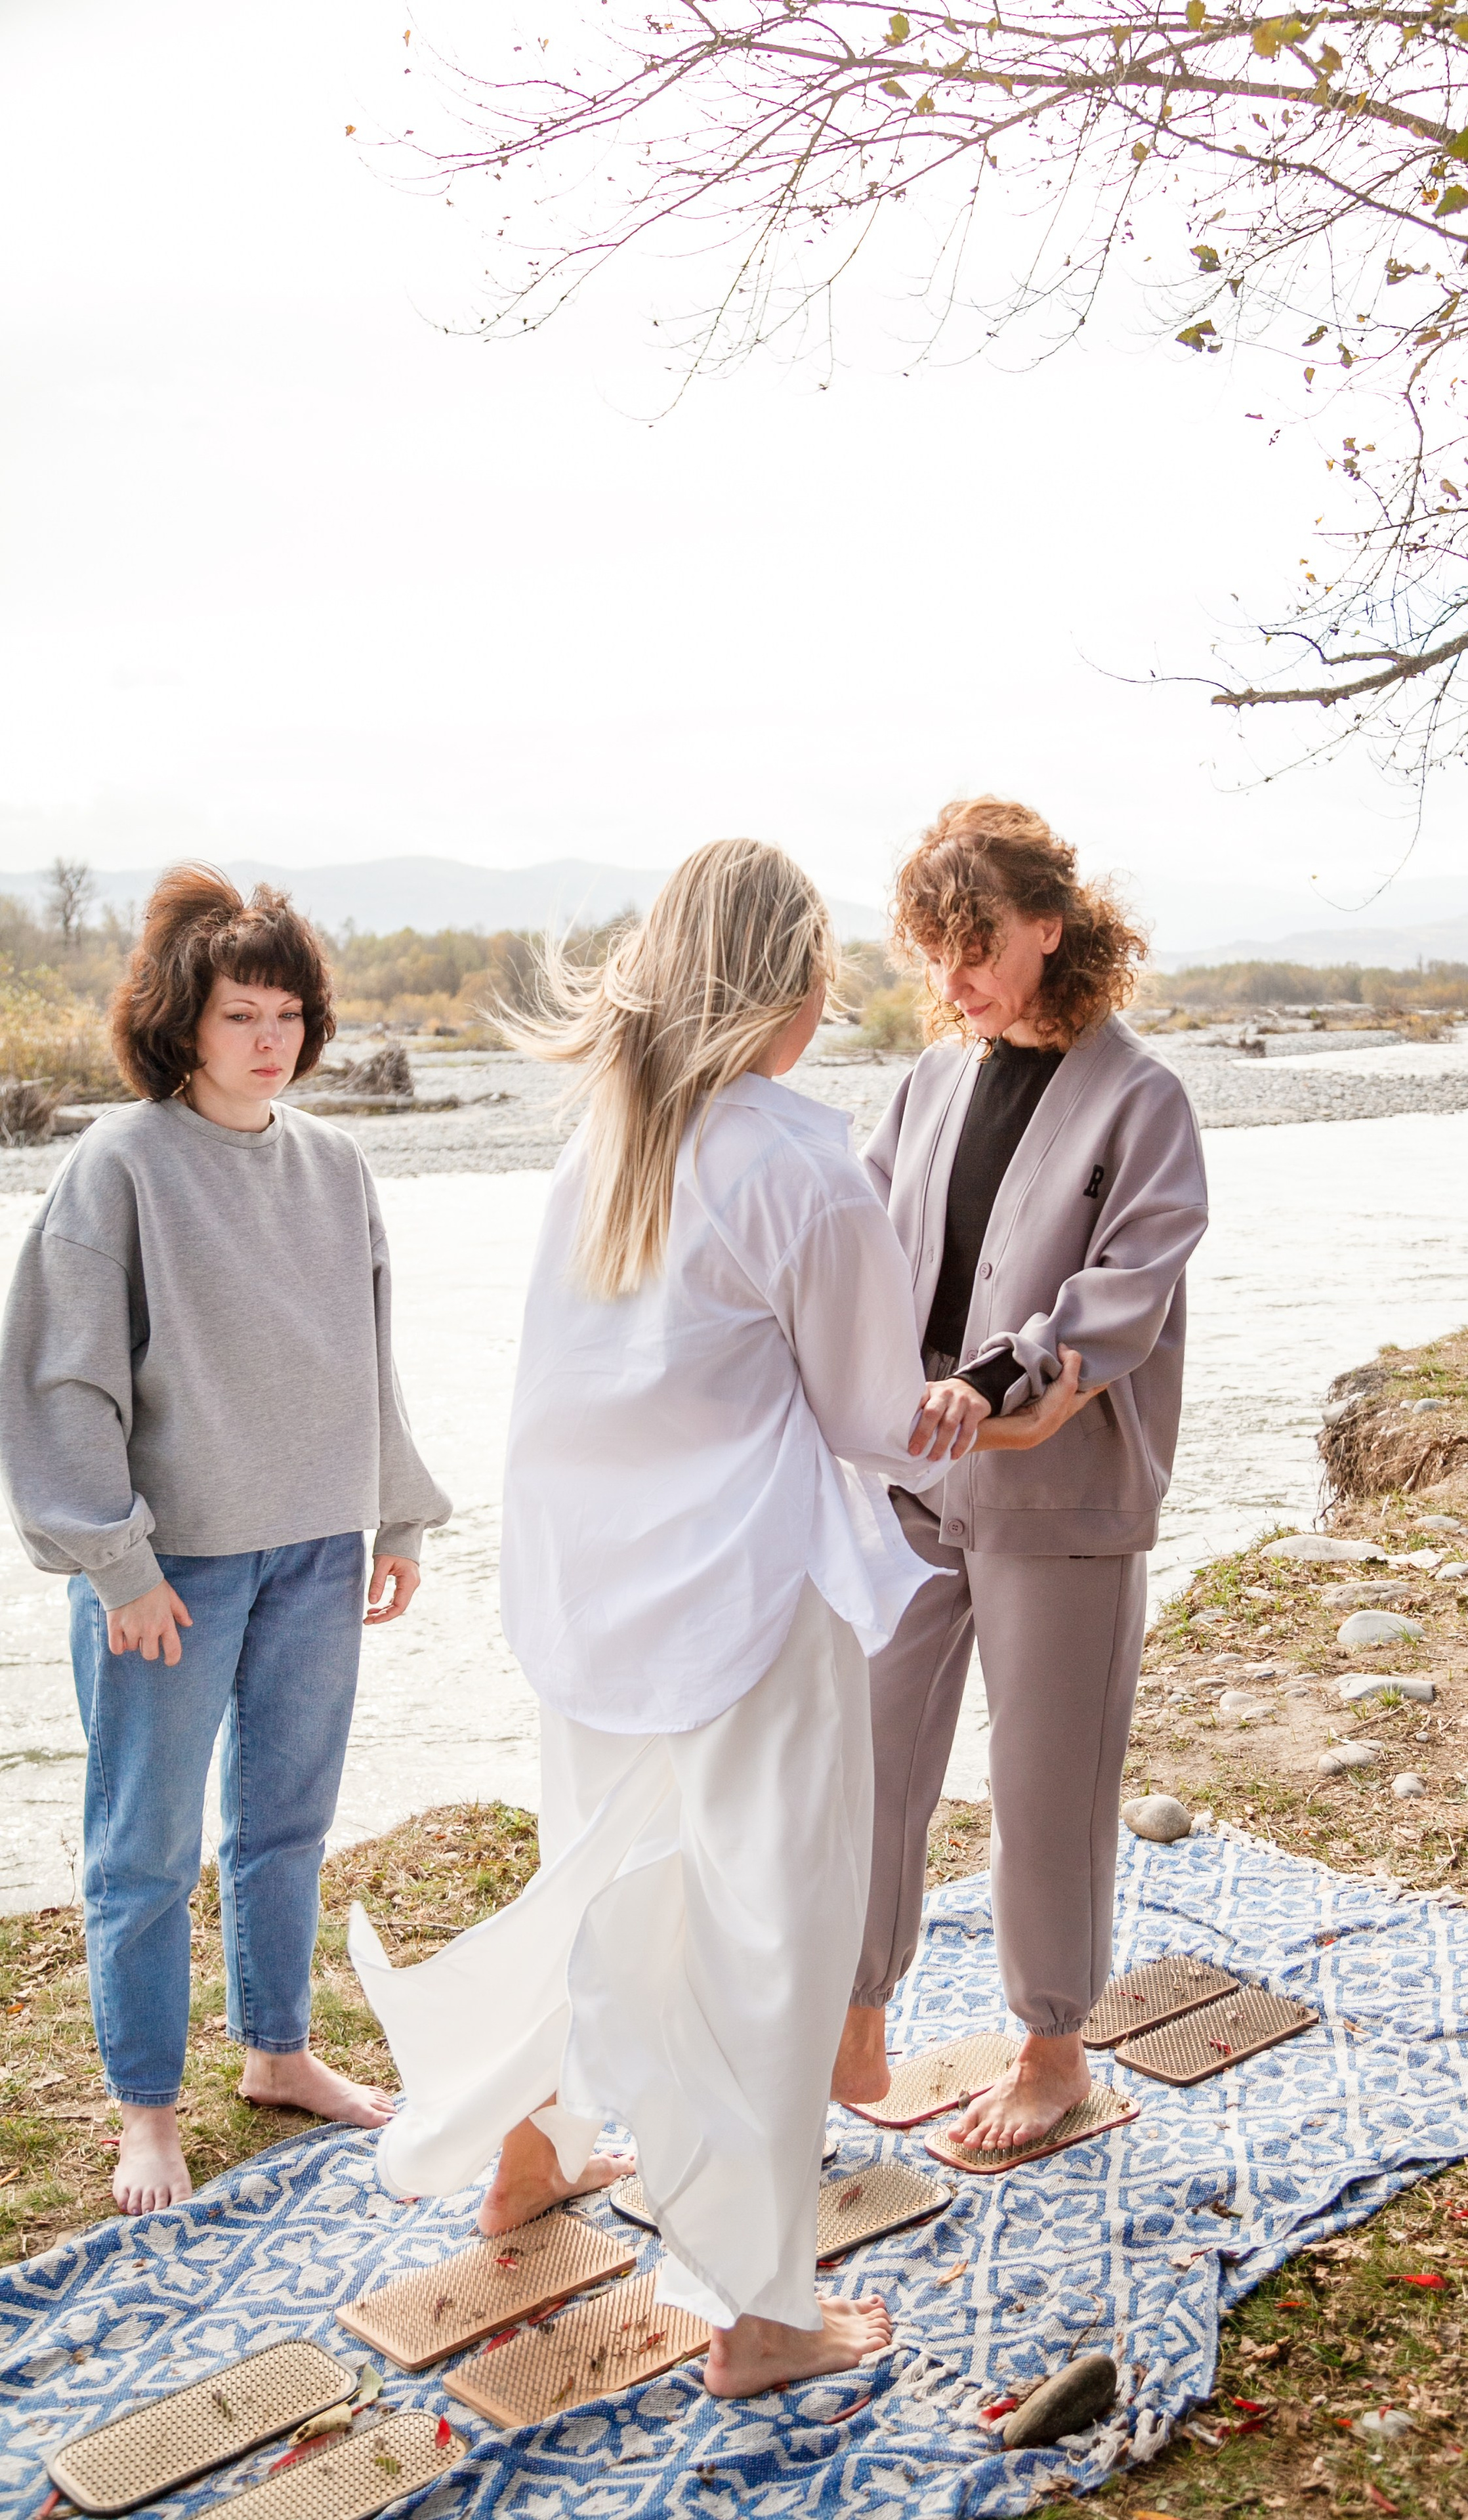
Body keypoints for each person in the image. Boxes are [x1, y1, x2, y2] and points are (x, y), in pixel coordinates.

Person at [348, 838, 1086, 2399]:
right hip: (741, 1604)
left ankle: (530, 2159)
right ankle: (758, 2315)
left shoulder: (604, 1139)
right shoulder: (794, 1164)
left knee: (598, 1882)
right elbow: (883, 1418)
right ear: (794, 985)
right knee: (770, 1928)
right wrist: (1009, 1416)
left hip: (585, 1592)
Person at [0, 867, 450, 2216]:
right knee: (143, 1848)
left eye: (289, 1015)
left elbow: (362, 1353)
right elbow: (59, 1381)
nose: (271, 1039)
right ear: (182, 1023)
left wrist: (400, 1510)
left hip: (317, 1545)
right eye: (242, 1014)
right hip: (173, 1570)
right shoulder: (119, 1164)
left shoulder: (335, 1161)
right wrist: (114, 1563)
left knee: (285, 1824)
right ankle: (147, 2109)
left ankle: (277, 2053)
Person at [829, 797, 1209, 2153]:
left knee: (1045, 1782)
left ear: (1049, 927)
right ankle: (853, 2007)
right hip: (913, 1479)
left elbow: (1119, 1301)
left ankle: (1053, 2056)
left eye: (973, 944)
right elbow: (861, 1251)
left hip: (1058, 1492)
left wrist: (981, 1387)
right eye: (931, 950)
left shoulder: (1140, 1099)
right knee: (867, 1749)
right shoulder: (926, 1082)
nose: (950, 980)